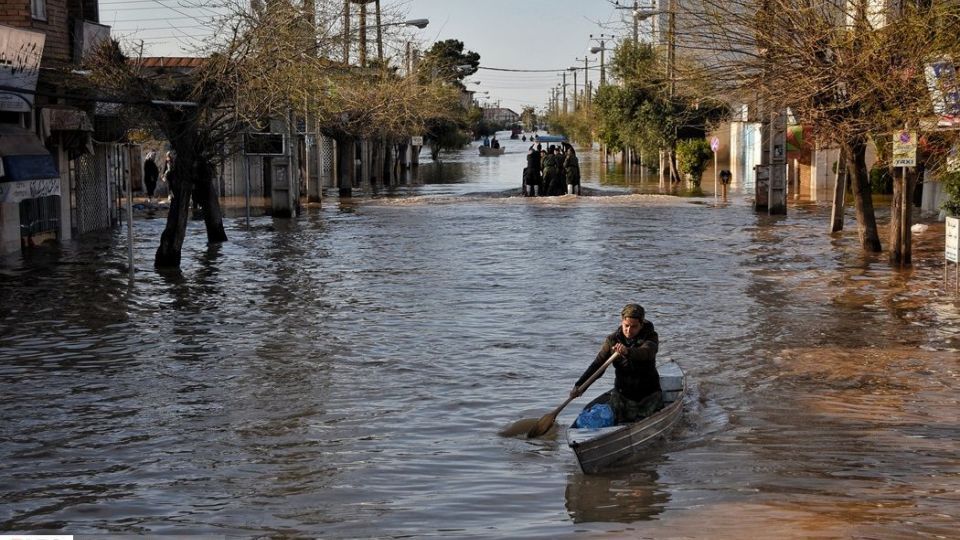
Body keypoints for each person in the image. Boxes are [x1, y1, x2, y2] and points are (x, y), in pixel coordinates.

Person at [571, 303, 662, 424]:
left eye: (634, 327)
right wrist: (580, 386)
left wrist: (627, 351)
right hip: (622, 394)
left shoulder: (650, 337)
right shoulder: (612, 340)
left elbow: (646, 353)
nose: (629, 330)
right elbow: (598, 365)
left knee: (643, 419)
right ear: (622, 321)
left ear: (641, 325)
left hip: (648, 395)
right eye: (626, 325)